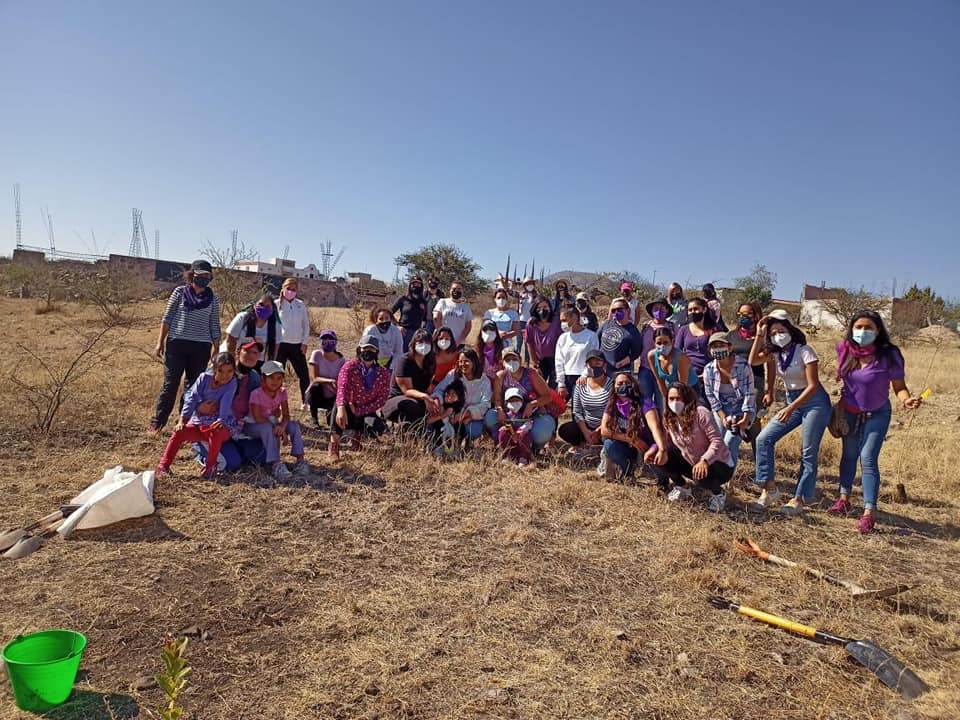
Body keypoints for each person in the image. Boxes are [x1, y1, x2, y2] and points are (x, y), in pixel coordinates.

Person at [829, 311, 923, 533]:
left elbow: (899, 387)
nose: (863, 332)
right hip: (849, 412)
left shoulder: (889, 354)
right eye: (858, 327)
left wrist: (907, 399)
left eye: (868, 327)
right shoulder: (844, 349)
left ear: (878, 330)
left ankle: (868, 513)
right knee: (849, 455)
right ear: (852, 329)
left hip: (877, 414)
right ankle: (844, 500)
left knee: (868, 457)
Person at [748, 310, 831, 511]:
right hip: (792, 400)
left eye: (781, 330)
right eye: (773, 332)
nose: (778, 334)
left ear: (790, 330)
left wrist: (791, 407)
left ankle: (799, 499)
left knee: (807, 451)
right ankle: (769, 489)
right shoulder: (776, 353)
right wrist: (759, 334)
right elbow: (753, 361)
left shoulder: (805, 351)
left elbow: (813, 385)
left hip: (814, 402)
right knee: (763, 439)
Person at [149, 260, 221, 433]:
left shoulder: (213, 298)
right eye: (200, 274)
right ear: (192, 274)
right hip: (177, 343)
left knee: (193, 386)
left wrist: (216, 348)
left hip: (201, 346)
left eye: (207, 275)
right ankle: (157, 423)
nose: (204, 278)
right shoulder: (179, 292)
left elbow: (214, 324)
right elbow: (167, 318)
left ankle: (185, 422)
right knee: (170, 383)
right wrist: (160, 342)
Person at [156, 351, 237, 480]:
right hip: (200, 422)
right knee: (179, 432)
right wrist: (183, 420)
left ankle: (210, 468)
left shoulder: (232, 382)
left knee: (216, 431)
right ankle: (163, 466)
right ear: (214, 368)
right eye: (220, 371)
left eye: (229, 371)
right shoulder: (204, 378)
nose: (225, 375)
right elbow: (192, 398)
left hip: (219, 423)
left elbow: (226, 402)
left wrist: (221, 419)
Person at [655, 382, 733, 512]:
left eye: (678, 398)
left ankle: (718, 493)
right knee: (660, 457)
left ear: (686, 398)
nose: (675, 402)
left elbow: (717, 441)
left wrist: (705, 460)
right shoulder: (670, 418)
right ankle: (683, 487)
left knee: (700, 474)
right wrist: (656, 450)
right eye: (671, 399)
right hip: (692, 461)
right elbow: (667, 441)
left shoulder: (700, 413)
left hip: (719, 464)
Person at [192, 340, 267, 473]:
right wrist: (199, 407)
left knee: (262, 455)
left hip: (236, 429)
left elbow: (260, 403)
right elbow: (189, 395)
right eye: (247, 351)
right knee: (230, 464)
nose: (251, 355)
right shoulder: (221, 370)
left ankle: (233, 450)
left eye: (255, 352)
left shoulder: (254, 377)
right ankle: (202, 452)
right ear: (237, 353)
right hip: (213, 427)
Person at [329, 335, 392, 460]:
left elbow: (382, 398)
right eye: (365, 348)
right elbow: (342, 388)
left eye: (372, 349)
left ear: (377, 352)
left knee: (377, 427)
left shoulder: (383, 373)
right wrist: (342, 408)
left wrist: (361, 410)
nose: (368, 352)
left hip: (367, 409)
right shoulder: (349, 367)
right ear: (359, 350)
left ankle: (357, 436)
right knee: (338, 410)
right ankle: (334, 446)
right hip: (349, 404)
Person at [246, 360, 310, 480]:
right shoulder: (256, 394)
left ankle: (300, 460)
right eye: (271, 378)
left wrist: (283, 427)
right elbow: (258, 418)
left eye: (279, 378)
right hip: (253, 425)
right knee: (266, 428)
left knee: (294, 425)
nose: (275, 382)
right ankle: (275, 463)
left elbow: (286, 415)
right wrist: (279, 429)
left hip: (273, 423)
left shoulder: (282, 392)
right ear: (263, 378)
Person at [485, 347, 558, 451]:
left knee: (540, 433)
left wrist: (531, 404)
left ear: (520, 359)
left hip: (533, 416)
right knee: (490, 417)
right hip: (510, 415)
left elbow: (547, 397)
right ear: (502, 362)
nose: (511, 362)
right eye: (507, 360)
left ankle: (534, 448)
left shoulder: (531, 374)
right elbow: (497, 399)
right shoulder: (500, 376)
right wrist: (500, 409)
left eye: (514, 359)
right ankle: (505, 444)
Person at [600, 372, 668, 481]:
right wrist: (631, 439)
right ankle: (627, 471)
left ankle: (663, 480)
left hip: (649, 444)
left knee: (657, 460)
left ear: (633, 384)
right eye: (620, 383)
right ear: (614, 386)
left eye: (627, 382)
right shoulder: (613, 403)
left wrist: (660, 448)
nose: (623, 385)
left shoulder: (644, 401)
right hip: (629, 443)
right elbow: (604, 430)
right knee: (609, 445)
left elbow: (655, 428)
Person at [702, 332, 756, 469]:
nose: (718, 349)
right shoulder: (708, 370)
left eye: (721, 345)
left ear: (730, 347)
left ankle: (727, 476)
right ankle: (720, 474)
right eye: (714, 346)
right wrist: (723, 417)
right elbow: (711, 396)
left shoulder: (743, 366)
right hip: (722, 410)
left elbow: (749, 393)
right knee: (718, 443)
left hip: (742, 409)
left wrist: (744, 419)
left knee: (730, 442)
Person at [432, 348, 492, 446]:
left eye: (466, 361)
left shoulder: (484, 380)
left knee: (473, 430)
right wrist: (437, 400)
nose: (462, 364)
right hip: (450, 414)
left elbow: (485, 404)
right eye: (460, 361)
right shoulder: (453, 375)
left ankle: (466, 443)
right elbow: (440, 390)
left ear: (474, 362)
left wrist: (468, 413)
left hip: (471, 417)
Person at [383, 329, 439, 426]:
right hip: (399, 400)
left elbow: (428, 387)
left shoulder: (430, 362)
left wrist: (433, 400)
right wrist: (425, 397)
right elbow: (407, 390)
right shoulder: (404, 361)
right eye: (420, 342)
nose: (424, 346)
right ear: (413, 344)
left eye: (427, 343)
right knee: (411, 405)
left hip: (420, 399)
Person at [557, 349, 611, 449]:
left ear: (605, 365)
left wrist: (598, 431)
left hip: (606, 426)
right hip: (586, 426)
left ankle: (599, 445)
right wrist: (586, 432)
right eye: (591, 363)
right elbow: (577, 411)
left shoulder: (612, 385)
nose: (594, 366)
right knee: (565, 430)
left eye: (598, 363)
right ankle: (583, 444)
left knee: (609, 438)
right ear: (586, 366)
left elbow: (613, 412)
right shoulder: (580, 384)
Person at [729, 302, 775, 413]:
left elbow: (771, 366)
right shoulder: (731, 335)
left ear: (756, 316)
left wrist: (769, 392)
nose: (742, 318)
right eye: (739, 314)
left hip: (755, 383)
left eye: (746, 314)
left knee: (752, 420)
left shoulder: (764, 339)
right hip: (733, 383)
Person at [275, 277, 312, 401]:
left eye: (293, 289)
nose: (290, 291)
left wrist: (305, 342)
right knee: (277, 374)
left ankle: (305, 401)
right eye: (288, 289)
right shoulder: (276, 304)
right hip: (280, 345)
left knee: (304, 375)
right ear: (283, 288)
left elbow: (306, 325)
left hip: (297, 345)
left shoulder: (300, 305)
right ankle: (275, 401)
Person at [646, 326, 699, 407]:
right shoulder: (652, 356)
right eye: (659, 343)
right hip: (671, 389)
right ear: (654, 343)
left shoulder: (680, 358)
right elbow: (659, 380)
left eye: (665, 342)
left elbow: (682, 385)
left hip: (689, 389)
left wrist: (677, 404)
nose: (662, 346)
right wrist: (667, 400)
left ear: (672, 341)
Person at [554, 307, 599, 399]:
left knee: (578, 410)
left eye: (564, 320)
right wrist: (561, 383)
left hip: (584, 378)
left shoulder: (591, 336)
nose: (563, 324)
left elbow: (593, 359)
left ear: (574, 317)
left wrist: (585, 375)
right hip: (566, 377)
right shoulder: (563, 338)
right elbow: (559, 361)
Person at [637, 297, 676, 403]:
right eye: (656, 308)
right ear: (652, 310)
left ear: (667, 310)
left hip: (664, 371)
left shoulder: (672, 327)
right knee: (645, 401)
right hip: (646, 369)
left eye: (662, 308)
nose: (659, 310)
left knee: (663, 401)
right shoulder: (646, 327)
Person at [304, 329, 345, 427]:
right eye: (324, 340)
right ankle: (314, 419)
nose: (327, 343)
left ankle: (331, 414)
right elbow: (314, 378)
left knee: (331, 423)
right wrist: (330, 381)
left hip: (333, 395)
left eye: (330, 340)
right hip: (318, 394)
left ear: (335, 342)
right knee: (315, 386)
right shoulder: (316, 354)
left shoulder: (342, 361)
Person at [225, 294, 278, 366]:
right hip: (235, 358)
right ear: (254, 305)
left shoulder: (276, 325)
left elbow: (274, 349)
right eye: (261, 304)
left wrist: (268, 367)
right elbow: (230, 341)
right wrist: (233, 362)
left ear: (272, 308)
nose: (264, 308)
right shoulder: (242, 317)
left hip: (258, 361)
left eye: (268, 306)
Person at [597, 297, 643, 380]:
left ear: (627, 310)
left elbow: (637, 351)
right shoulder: (607, 324)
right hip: (602, 368)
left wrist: (622, 363)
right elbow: (596, 340)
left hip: (620, 371)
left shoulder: (633, 330)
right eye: (613, 310)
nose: (616, 312)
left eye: (619, 309)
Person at [675, 297, 716, 381]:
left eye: (696, 309)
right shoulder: (683, 330)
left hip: (710, 373)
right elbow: (677, 352)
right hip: (688, 374)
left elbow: (717, 353)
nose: (693, 312)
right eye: (690, 310)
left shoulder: (713, 330)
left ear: (704, 309)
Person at [526, 296, 562, 389]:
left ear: (550, 308)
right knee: (539, 387)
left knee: (553, 387)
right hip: (540, 360)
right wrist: (534, 363)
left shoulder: (556, 321)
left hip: (555, 359)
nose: (543, 310)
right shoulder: (531, 323)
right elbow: (529, 342)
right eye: (539, 308)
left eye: (545, 307)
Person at [425, 378, 465, 457]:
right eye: (448, 393)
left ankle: (455, 449)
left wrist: (453, 419)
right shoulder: (439, 406)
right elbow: (427, 422)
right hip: (436, 440)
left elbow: (461, 430)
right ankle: (434, 448)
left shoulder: (458, 410)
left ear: (459, 398)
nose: (449, 396)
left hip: (451, 442)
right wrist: (442, 416)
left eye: (453, 395)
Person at [497, 387, 535, 466]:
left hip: (521, 442)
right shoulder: (505, 415)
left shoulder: (524, 414)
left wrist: (522, 429)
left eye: (517, 400)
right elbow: (500, 427)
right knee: (503, 432)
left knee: (525, 434)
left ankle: (523, 457)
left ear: (522, 401)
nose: (515, 403)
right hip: (510, 442)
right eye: (511, 401)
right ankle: (507, 455)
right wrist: (503, 428)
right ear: (506, 403)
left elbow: (530, 422)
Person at [391, 276, 428, 352]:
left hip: (417, 334)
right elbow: (389, 313)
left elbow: (424, 319)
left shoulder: (423, 302)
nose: (416, 286)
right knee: (400, 355)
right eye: (414, 283)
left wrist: (421, 332)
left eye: (418, 284)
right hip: (403, 332)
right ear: (410, 285)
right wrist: (397, 326)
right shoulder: (403, 299)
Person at [362, 307, 405, 372]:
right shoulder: (369, 331)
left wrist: (392, 367)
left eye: (387, 318)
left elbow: (398, 351)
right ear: (376, 320)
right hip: (372, 362)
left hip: (390, 362)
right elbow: (365, 351)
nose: (384, 321)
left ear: (391, 319)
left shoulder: (396, 331)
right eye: (381, 319)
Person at [432, 281, 473, 347]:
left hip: (458, 343)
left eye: (459, 289)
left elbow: (468, 327)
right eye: (454, 289)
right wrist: (442, 334)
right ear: (450, 290)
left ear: (462, 291)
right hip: (442, 340)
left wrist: (459, 341)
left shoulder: (466, 307)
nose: (456, 291)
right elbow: (436, 318)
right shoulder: (443, 302)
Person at [517, 276, 538, 361]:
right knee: (519, 342)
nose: (529, 285)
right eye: (527, 284)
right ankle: (516, 359)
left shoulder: (536, 295)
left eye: (531, 283)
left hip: (530, 322)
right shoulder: (521, 294)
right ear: (525, 285)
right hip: (521, 320)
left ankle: (527, 362)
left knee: (528, 343)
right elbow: (510, 292)